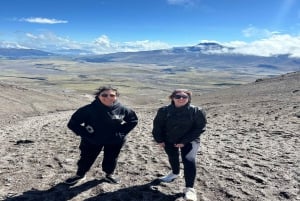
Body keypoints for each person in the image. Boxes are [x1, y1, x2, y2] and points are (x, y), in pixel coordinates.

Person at [64, 85, 138, 185]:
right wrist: (86, 135)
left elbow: (133, 121)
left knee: (111, 158)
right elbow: (73, 124)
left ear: (116, 97)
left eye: (112, 95)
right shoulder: (88, 109)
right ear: (98, 96)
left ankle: (109, 175)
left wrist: (121, 133)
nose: (108, 97)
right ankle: (80, 175)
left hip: (114, 141)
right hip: (92, 141)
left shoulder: (122, 109)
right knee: (86, 158)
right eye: (104, 95)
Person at [152, 89, 207, 201]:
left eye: (184, 97)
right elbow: (157, 126)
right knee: (172, 156)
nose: (181, 98)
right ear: (172, 98)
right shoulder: (164, 110)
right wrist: (159, 140)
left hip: (190, 140)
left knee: (188, 159)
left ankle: (189, 189)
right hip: (169, 139)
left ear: (189, 99)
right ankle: (174, 173)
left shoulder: (196, 111)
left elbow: (200, 128)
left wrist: (184, 141)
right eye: (178, 96)